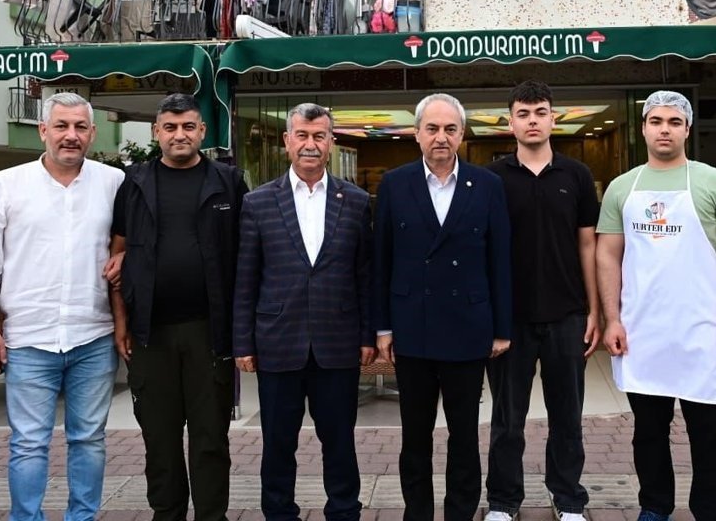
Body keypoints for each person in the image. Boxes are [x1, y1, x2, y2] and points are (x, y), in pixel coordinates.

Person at [0, 92, 124, 521]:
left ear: (92, 133)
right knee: (28, 442)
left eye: (79, 127)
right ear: (43, 131)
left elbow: (132, 239)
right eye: (61, 126)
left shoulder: (114, 183)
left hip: (93, 335)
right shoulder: (5, 184)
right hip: (28, 338)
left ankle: (82, 518)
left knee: (89, 439)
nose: (71, 135)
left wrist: (126, 255)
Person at [596, 89, 716, 521]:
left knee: (709, 434)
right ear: (644, 127)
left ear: (687, 129)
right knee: (648, 432)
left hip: (702, 331)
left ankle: (709, 510)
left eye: (674, 122)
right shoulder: (622, 187)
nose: (664, 130)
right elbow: (607, 255)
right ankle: (655, 507)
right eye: (656, 121)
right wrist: (612, 319)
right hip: (642, 331)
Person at [106, 93, 247, 521]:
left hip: (210, 332)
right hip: (151, 333)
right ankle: (166, 514)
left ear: (202, 131)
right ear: (157, 132)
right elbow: (117, 254)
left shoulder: (228, 182)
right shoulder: (134, 183)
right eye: (170, 127)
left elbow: (246, 256)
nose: (179, 135)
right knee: (160, 439)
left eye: (188, 127)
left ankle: (211, 516)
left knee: (210, 438)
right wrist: (121, 322)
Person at [372, 92, 513, 521]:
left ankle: (459, 513)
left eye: (450, 129)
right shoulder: (395, 184)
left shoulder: (487, 185)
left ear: (462, 134)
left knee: (464, 435)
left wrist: (501, 327)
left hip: (468, 327)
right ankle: (417, 513)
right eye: (432, 128)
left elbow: (500, 259)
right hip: (411, 327)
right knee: (415, 436)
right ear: (416, 134)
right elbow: (381, 260)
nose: (441, 137)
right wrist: (382, 327)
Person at [234, 102, 373, 521]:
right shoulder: (258, 202)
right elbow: (246, 277)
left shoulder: (357, 201)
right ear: (287, 140)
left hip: (338, 343)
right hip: (278, 343)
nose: (310, 144)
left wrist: (367, 335)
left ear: (331, 142)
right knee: (278, 442)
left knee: (340, 441)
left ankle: (344, 511)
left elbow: (365, 276)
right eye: (302, 135)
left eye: (319, 136)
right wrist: (243, 342)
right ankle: (279, 513)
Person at [484, 81, 599, 521]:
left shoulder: (577, 175)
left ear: (554, 118)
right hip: (509, 318)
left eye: (540, 112)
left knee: (567, 417)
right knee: (507, 420)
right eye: (523, 113)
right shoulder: (492, 178)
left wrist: (594, 311)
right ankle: (503, 501)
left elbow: (588, 245)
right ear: (510, 122)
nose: (532, 121)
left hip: (567, 315)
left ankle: (568, 499)